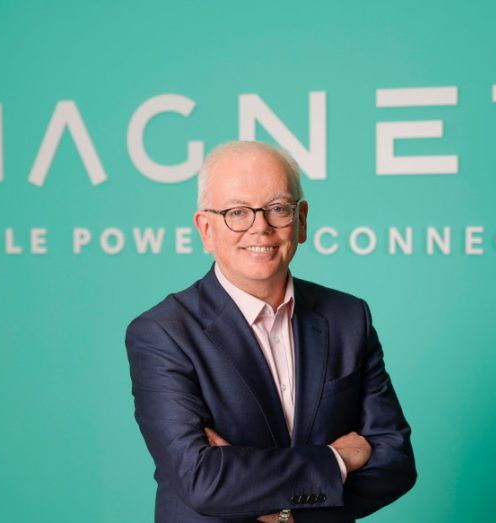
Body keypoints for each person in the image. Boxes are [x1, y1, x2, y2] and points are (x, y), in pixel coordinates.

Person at [125, 141, 416, 523]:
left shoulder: (348, 317)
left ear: (302, 220)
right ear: (206, 229)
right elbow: (202, 479)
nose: (260, 227)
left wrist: (285, 513)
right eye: (237, 212)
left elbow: (394, 460)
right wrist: (337, 459)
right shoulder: (162, 333)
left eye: (277, 209)